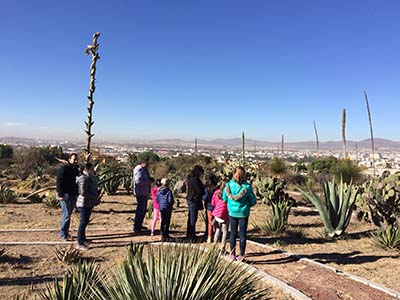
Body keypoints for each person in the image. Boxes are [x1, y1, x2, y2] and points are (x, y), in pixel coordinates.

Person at [222, 166, 256, 261]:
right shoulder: (247, 188)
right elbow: (253, 201)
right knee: (242, 234)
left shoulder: (228, 186)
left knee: (232, 233)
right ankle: (241, 255)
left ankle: (232, 254)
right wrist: (247, 204)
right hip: (243, 213)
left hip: (232, 212)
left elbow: (224, 198)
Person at [75, 163, 102, 250]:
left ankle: (83, 238)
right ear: (88, 169)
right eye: (92, 169)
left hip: (88, 203)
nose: (93, 170)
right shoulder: (83, 178)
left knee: (85, 221)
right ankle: (79, 242)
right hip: (83, 203)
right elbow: (82, 192)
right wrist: (94, 196)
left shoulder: (90, 178)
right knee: (83, 222)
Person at [56, 153, 79, 240]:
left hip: (72, 194)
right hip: (65, 194)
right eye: (74, 159)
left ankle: (65, 232)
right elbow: (59, 181)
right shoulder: (64, 168)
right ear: (69, 159)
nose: (76, 161)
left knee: (68, 214)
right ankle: (63, 234)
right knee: (66, 214)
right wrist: (60, 194)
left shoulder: (75, 169)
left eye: (77, 159)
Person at [133, 158, 153, 233]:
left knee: (143, 209)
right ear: (143, 163)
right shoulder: (138, 170)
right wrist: (148, 182)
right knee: (140, 209)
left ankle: (139, 224)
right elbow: (138, 181)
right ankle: (137, 226)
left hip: (144, 192)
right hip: (140, 192)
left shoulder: (144, 170)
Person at [185, 165, 204, 241]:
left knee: (190, 217)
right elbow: (199, 190)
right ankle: (192, 235)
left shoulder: (190, 178)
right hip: (194, 199)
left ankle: (189, 233)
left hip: (190, 199)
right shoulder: (195, 179)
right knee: (193, 218)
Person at [211, 179, 229, 252]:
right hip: (224, 214)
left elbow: (213, 203)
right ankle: (223, 247)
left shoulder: (216, 192)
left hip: (216, 213)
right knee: (225, 231)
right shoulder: (228, 194)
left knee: (217, 230)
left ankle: (214, 245)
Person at [202, 174, 218, 243]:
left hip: (209, 207)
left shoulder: (206, 189)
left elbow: (204, 198)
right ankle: (216, 236)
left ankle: (209, 237)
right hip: (216, 208)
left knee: (210, 223)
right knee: (216, 223)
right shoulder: (217, 189)